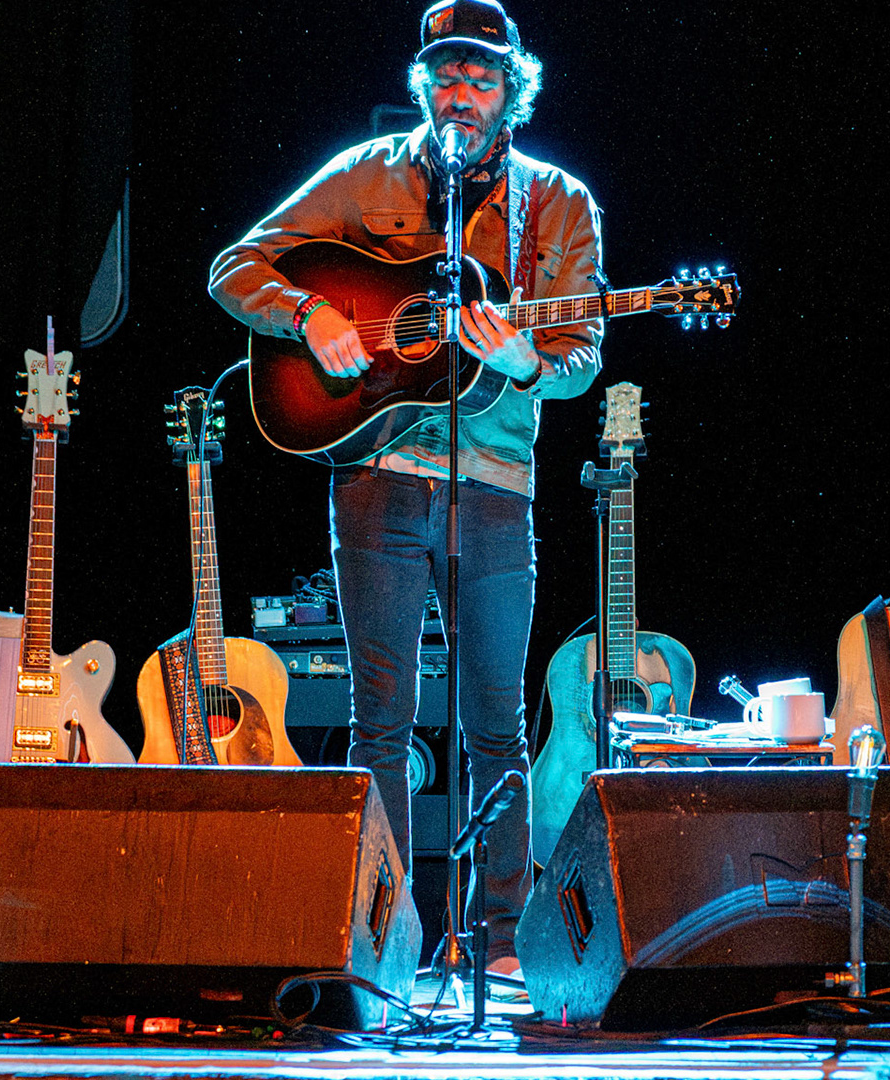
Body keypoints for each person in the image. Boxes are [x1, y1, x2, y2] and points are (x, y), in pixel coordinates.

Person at [207, 0, 603, 970]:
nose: (462, 93)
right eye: (448, 77)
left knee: (496, 726)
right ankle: (376, 932)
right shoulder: (367, 175)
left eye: (482, 78)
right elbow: (234, 265)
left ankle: (501, 937)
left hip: (496, 485)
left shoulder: (557, 203)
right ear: (425, 84)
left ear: (514, 90)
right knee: (378, 720)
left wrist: (519, 360)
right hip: (375, 474)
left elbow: (584, 350)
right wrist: (308, 314)